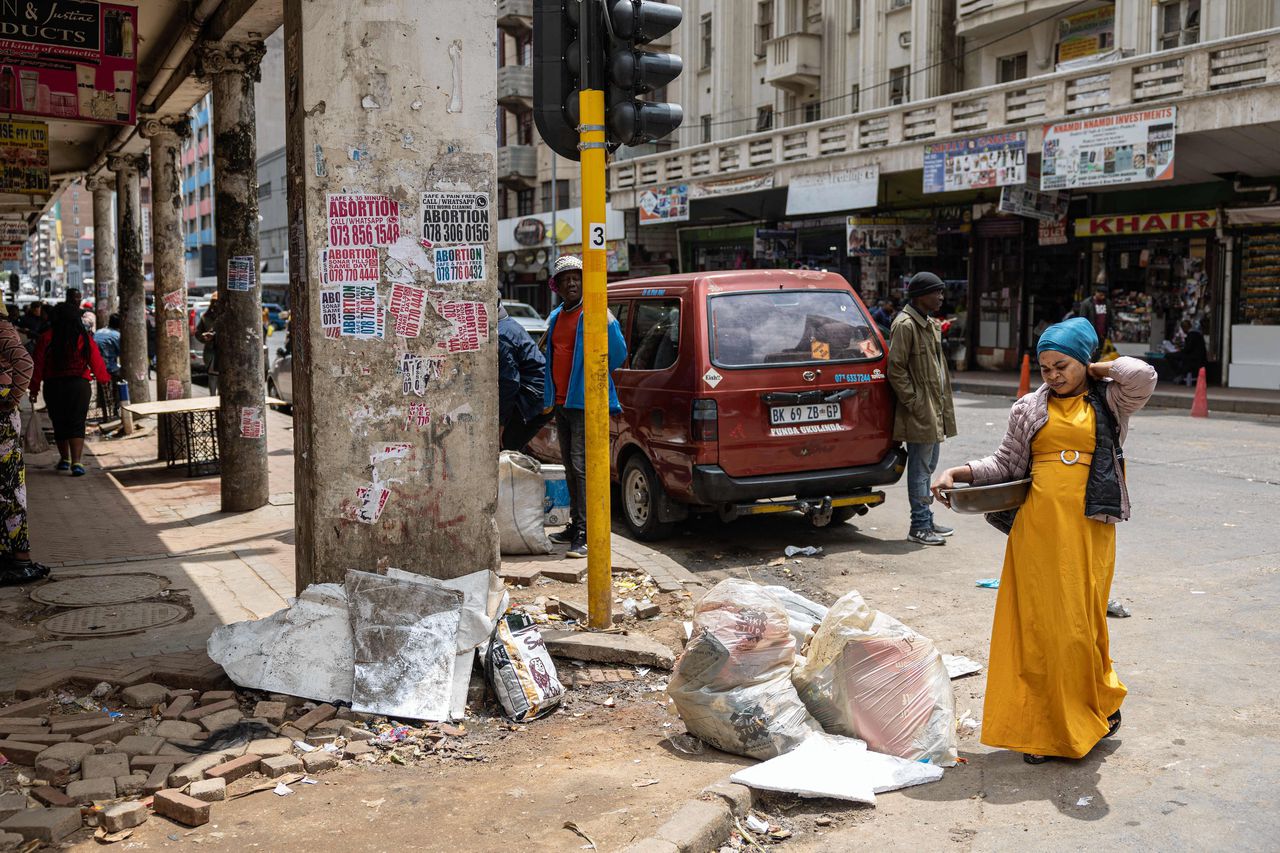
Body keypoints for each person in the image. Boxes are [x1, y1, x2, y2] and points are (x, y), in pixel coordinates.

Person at [931, 318, 1157, 764]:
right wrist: (961, 472)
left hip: (1090, 530)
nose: (1052, 376)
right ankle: (1049, 728)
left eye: (1062, 366)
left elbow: (1142, 375)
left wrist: (1097, 370)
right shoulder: (1027, 408)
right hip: (1036, 533)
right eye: (1046, 368)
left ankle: (1097, 704)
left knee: (1080, 626)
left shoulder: (1111, 400)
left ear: (1084, 362)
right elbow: (1005, 463)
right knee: (1040, 628)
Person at [542, 255, 627, 559]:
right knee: (570, 465)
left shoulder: (595, 314)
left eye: (576, 277)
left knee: (581, 468)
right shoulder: (555, 317)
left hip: (586, 402)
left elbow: (618, 353)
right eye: (565, 279)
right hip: (563, 403)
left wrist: (590, 376)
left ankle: (586, 532)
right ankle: (575, 524)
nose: (572, 283)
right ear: (559, 287)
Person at [886, 271, 957, 546]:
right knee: (919, 470)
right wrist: (914, 402)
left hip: (933, 409)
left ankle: (926, 519)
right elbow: (896, 370)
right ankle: (919, 526)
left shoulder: (929, 324)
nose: (941, 297)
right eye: (936, 292)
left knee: (928, 466)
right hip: (921, 410)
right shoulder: (905, 325)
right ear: (920, 296)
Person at [31, 303, 111, 476]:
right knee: (76, 422)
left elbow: (37, 365)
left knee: (59, 422)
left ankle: (65, 459)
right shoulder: (83, 338)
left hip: (54, 386)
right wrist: (104, 379)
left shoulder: (46, 338)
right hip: (78, 386)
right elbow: (96, 361)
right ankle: (77, 462)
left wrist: (33, 389)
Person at [0, 300, 46, 585]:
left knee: (10, 487)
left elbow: (25, 362)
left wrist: (10, 399)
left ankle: (20, 556)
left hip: (3, 420)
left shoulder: (2, 329)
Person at [497, 300, 546, 452]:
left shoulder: (501, 334)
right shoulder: (506, 325)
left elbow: (509, 382)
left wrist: (501, 423)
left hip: (532, 397)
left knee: (505, 447)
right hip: (534, 394)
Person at [94, 314, 122, 419]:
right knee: (121, 381)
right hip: (109, 367)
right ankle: (117, 408)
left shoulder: (98, 332)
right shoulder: (116, 335)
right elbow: (121, 352)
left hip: (95, 367)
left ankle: (104, 405)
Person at [196, 293, 223, 394]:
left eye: (218, 302)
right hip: (211, 352)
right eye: (214, 302)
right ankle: (212, 398)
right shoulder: (205, 317)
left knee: (223, 379)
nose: (216, 304)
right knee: (212, 377)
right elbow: (198, 333)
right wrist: (204, 337)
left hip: (224, 352)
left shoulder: (226, 317)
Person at [1171, 319, 1206, 386]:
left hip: (1193, 359)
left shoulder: (1191, 335)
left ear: (1185, 328)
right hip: (1199, 358)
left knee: (1171, 356)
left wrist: (1180, 350)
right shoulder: (1198, 334)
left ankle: (1180, 374)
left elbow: (1188, 349)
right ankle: (1181, 374)